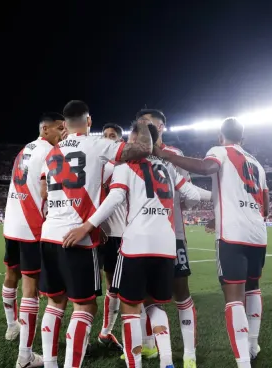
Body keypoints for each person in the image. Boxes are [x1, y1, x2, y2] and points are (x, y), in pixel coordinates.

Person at [73, 122, 201, 368]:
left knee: (131, 308)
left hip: (136, 244)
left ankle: (135, 364)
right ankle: (166, 361)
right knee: (156, 304)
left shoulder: (127, 166)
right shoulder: (168, 168)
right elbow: (193, 195)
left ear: (140, 141)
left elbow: (115, 198)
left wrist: (88, 225)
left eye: (131, 138)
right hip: (166, 246)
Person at [38, 100, 153, 368]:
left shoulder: (52, 152)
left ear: (64, 124)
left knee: (55, 305)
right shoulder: (98, 144)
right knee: (85, 308)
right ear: (89, 122)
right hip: (78, 238)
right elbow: (144, 149)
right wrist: (144, 124)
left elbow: (43, 191)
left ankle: (51, 363)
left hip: (49, 235)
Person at [154, 117, 269, 368]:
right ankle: (253, 343)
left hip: (232, 234)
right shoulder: (258, 164)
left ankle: (243, 361)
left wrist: (168, 156)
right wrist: (220, 215)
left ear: (220, 137)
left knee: (234, 296)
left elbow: (207, 168)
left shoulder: (219, 151)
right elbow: (265, 207)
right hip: (258, 233)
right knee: (253, 287)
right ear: (243, 138)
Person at [135, 109, 199, 368]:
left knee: (181, 294)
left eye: (150, 124)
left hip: (173, 236)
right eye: (142, 124)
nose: (146, 128)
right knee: (146, 297)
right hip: (144, 236)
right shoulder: (133, 155)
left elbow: (188, 193)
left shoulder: (175, 155)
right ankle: (152, 348)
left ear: (161, 127)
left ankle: (189, 355)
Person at [2, 112, 66, 368]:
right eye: (59, 128)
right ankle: (25, 357)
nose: (63, 133)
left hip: (12, 224)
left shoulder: (24, 150)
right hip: (31, 226)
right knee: (31, 290)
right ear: (45, 129)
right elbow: (45, 191)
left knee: (10, 275)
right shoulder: (49, 153)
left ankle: (11, 326)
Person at [96, 123, 127, 353]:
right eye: (105, 136)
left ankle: (107, 332)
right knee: (109, 287)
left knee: (119, 287)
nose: (108, 139)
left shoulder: (127, 164)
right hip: (104, 234)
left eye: (112, 136)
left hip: (125, 233)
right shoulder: (98, 165)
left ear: (121, 140)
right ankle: (105, 332)